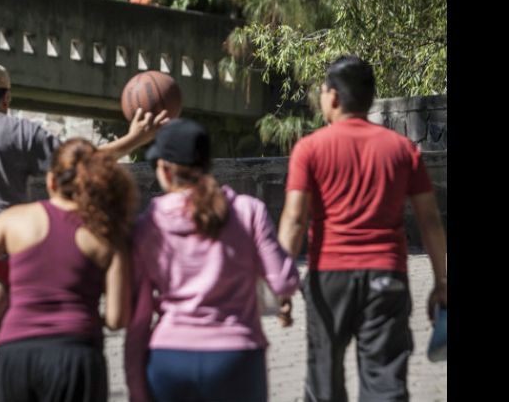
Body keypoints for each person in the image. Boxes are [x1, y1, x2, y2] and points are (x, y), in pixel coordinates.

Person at [0, 61, 167, 402]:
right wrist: (133, 139)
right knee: (2, 330)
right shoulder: (23, 132)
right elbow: (81, 162)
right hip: (7, 245)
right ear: (6, 98)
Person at [277, 55, 448, 402]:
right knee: (385, 383)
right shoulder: (402, 149)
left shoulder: (309, 149)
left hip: (329, 278)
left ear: (334, 97)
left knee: (323, 383)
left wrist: (280, 282)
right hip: (387, 275)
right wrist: (441, 281)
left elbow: (295, 220)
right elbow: (430, 220)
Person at [0, 138, 138, 402]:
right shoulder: (108, 233)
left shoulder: (16, 219)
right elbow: (117, 319)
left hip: (15, 353)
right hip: (76, 354)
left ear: (51, 182)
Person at [124, 119, 300, 402]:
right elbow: (284, 281)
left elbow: (139, 316)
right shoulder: (248, 211)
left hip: (169, 358)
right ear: (208, 164)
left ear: (166, 172)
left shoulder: (149, 224)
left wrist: (135, 383)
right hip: (237, 357)